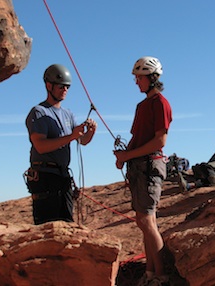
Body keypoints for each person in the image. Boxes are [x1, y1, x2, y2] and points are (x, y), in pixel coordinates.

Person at [113, 56, 172, 286]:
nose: (136, 82)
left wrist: (128, 156)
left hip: (149, 166)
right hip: (139, 166)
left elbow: (160, 141)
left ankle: (162, 276)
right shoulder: (142, 105)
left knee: (146, 221)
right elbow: (137, 139)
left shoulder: (160, 103)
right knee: (145, 222)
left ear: (151, 78)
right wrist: (123, 157)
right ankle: (150, 273)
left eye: (139, 78)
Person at [25, 64, 97, 225]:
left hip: (62, 177)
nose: (64, 90)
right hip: (45, 177)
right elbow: (41, 146)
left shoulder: (67, 114)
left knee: (66, 224)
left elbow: (82, 141)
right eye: (61, 86)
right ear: (48, 85)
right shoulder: (39, 112)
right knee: (48, 226)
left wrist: (90, 132)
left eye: (67, 87)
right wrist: (71, 136)